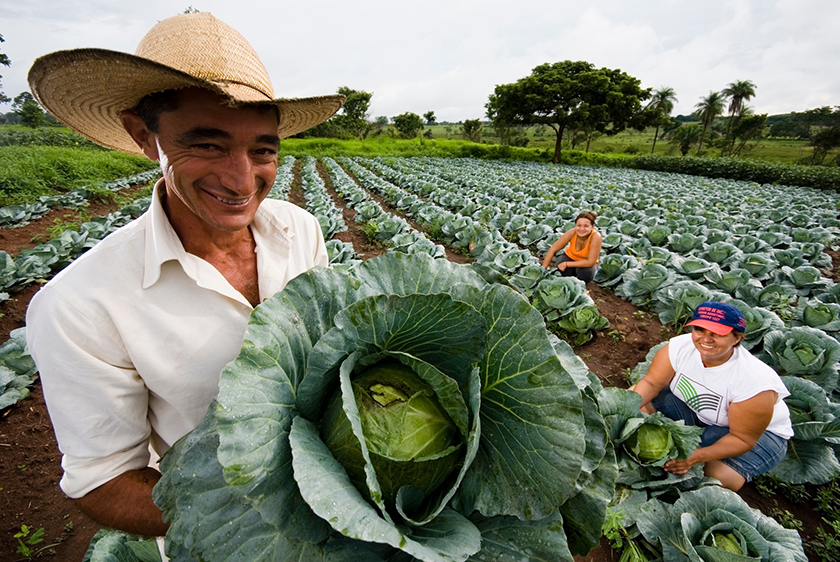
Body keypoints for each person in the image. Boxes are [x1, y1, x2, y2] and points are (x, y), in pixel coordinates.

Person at [24, 13, 345, 537]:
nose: (242, 179)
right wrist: (260, 522)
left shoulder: (300, 230)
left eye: (262, 149)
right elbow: (103, 483)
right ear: (143, 136)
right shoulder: (80, 304)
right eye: (207, 145)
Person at [630, 301, 793, 491]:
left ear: (737, 338)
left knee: (714, 477)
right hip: (700, 412)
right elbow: (651, 383)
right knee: (636, 400)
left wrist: (695, 456)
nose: (706, 339)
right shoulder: (679, 348)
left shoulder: (753, 383)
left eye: (717, 333)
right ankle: (697, 439)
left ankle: (723, 462)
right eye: (700, 329)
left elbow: (742, 439)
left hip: (759, 436)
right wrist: (621, 412)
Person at [541, 211, 602, 283]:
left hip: (586, 263)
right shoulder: (572, 233)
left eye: (586, 226)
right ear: (575, 225)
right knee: (561, 271)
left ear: (592, 226)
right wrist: (543, 270)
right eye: (579, 225)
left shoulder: (596, 236)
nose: (581, 229)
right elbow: (553, 249)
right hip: (570, 257)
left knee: (587, 272)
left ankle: (581, 285)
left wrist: (566, 264)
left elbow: (591, 262)